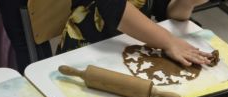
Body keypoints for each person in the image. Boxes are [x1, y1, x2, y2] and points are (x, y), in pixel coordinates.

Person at [58, 0, 211, 66]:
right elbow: (112, 7)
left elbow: (163, 10)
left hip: (133, 48)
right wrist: (169, 41)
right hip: (85, 53)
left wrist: (186, 3)